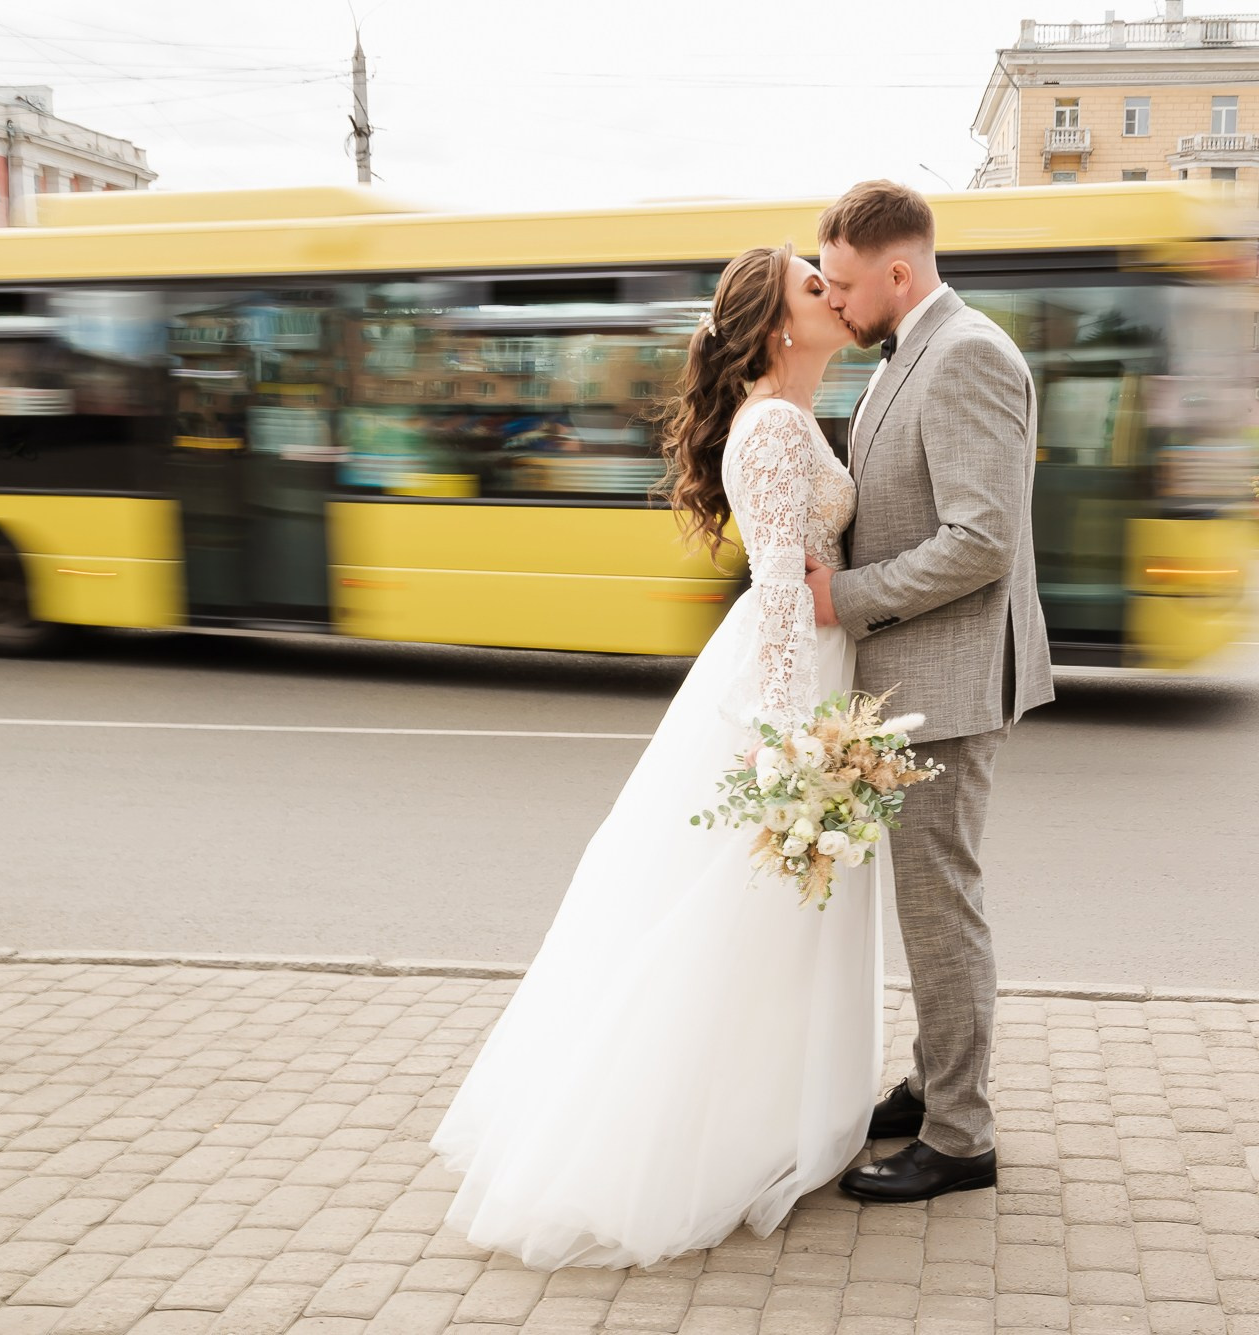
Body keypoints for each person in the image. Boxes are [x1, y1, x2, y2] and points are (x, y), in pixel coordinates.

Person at [431, 243, 882, 1269]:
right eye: (815, 288)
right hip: (786, 682)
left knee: (774, 919)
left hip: (813, 667)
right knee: (738, 916)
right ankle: (699, 1139)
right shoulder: (769, 425)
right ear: (777, 324)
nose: (834, 294)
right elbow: (775, 584)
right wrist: (788, 744)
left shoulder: (790, 415)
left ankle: (770, 1118)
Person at [810, 181, 1055, 1204]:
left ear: (897, 273)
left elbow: (978, 541)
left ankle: (959, 1138)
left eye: (843, 282)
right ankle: (933, 1080)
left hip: (948, 684)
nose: (832, 300)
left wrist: (848, 599)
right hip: (921, 678)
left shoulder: (964, 356)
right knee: (925, 906)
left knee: (939, 909)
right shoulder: (910, 352)